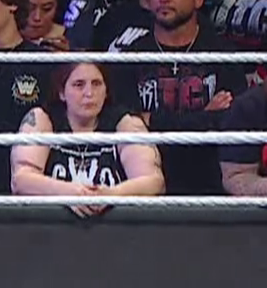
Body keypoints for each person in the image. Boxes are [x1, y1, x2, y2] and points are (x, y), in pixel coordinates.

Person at [10, 62, 165, 215]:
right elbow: (21, 180)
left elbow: (154, 181)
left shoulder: (125, 122)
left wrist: (112, 194)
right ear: (62, 92)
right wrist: (68, 192)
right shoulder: (42, 119)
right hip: (52, 226)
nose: (89, 93)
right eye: (79, 85)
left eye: (96, 84)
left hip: (112, 227)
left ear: (106, 91)